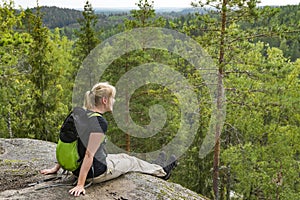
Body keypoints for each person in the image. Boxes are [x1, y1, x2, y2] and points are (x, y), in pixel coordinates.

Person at [41, 82, 177, 197]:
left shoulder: (79, 114)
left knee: (123, 156)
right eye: (113, 98)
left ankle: (155, 167)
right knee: (131, 161)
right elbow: (89, 154)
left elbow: (66, 141)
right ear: (105, 100)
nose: (115, 101)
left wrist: (56, 168)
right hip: (96, 172)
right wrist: (80, 185)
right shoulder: (99, 122)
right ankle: (162, 172)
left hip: (77, 166)